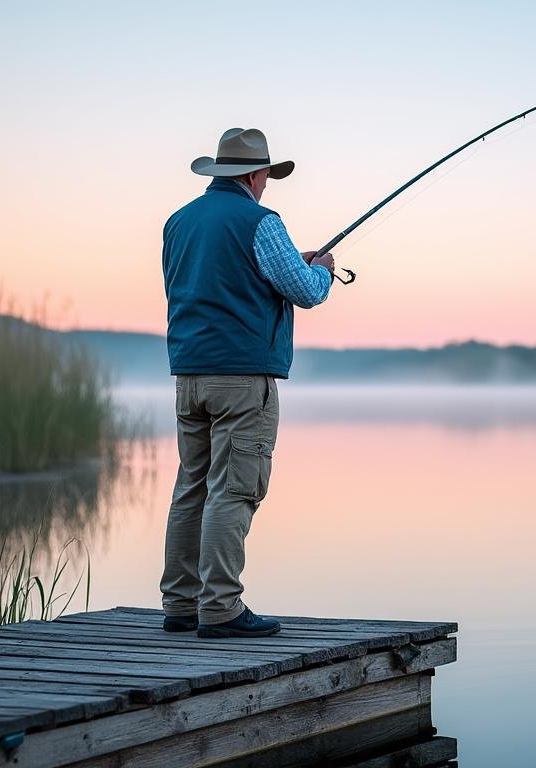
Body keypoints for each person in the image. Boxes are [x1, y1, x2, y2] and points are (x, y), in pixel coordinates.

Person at [158, 128, 336, 638]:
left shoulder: (178, 223)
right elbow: (304, 292)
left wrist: (285, 263)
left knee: (191, 486)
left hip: (188, 375)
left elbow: (215, 279)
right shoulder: (261, 221)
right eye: (266, 178)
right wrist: (320, 269)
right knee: (234, 490)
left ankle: (181, 603)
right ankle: (220, 607)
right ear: (255, 175)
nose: (266, 187)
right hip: (241, 379)